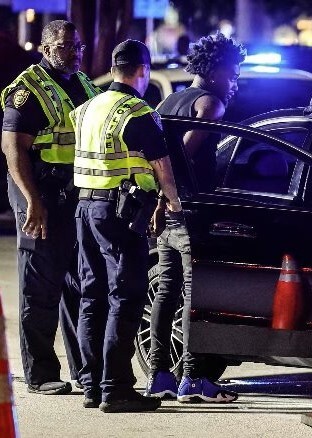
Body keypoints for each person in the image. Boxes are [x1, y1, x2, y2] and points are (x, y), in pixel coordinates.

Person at [71, 39, 181, 412]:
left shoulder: (85, 109)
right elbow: (162, 167)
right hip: (119, 214)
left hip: (85, 209)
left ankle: (91, 386)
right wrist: (173, 202)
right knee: (127, 296)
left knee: (92, 295)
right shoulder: (138, 110)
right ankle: (116, 388)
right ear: (143, 70)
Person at [1, 19, 100, 396]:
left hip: (73, 193)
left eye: (78, 47)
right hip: (39, 190)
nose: (74, 53)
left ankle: (84, 370)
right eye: (64, 47)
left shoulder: (83, 83)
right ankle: (41, 374)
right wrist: (31, 202)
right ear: (44, 48)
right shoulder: (26, 91)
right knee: (40, 285)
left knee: (78, 282)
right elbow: (13, 149)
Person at [145, 32, 243, 403]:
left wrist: (160, 199)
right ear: (215, 70)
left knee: (165, 293)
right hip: (191, 213)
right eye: (233, 72)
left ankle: (158, 376)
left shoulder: (171, 99)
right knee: (192, 295)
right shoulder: (210, 105)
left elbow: (157, 158)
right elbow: (182, 159)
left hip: (166, 211)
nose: (235, 80)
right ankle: (192, 378)